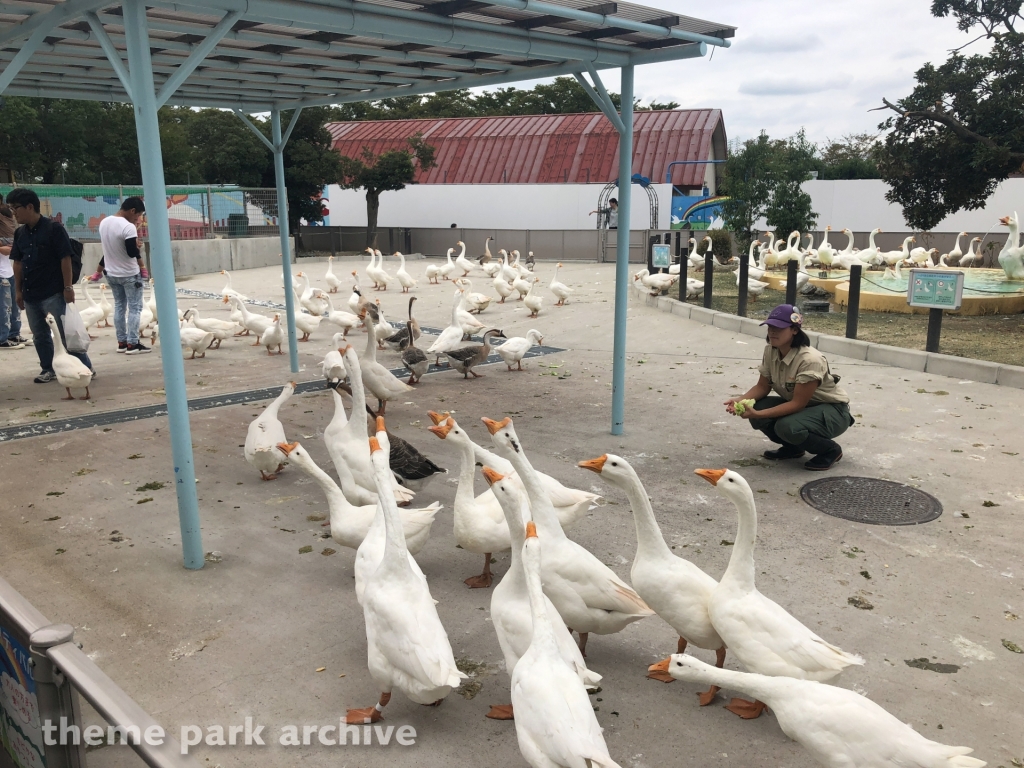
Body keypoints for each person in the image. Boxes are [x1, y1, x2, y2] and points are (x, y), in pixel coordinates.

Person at [724, 304, 853, 471]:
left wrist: (758, 414)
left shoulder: (810, 359)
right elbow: (762, 386)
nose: (772, 332)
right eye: (770, 327)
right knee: (756, 407)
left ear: (794, 330)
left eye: (779, 327)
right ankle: (793, 448)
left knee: (786, 426)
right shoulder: (771, 350)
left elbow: (797, 404)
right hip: (803, 408)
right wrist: (740, 400)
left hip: (831, 412)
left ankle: (829, 450)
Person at [7, 188, 94, 382]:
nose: (14, 213)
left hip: (53, 293)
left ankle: (84, 367)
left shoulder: (54, 229)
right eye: (11, 209)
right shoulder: (20, 233)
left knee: (65, 334)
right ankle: (48, 369)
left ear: (30, 207)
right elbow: (18, 263)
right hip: (31, 295)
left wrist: (68, 287)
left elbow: (65, 258)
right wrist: (18, 291)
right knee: (40, 336)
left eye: (16, 208)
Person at [98, 197, 150, 354]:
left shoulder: (104, 222)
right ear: (132, 210)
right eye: (138, 215)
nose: (138, 219)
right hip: (129, 273)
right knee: (135, 308)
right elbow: (131, 252)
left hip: (112, 273)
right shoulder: (128, 227)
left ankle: (122, 341)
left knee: (119, 306)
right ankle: (133, 344)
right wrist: (137, 245)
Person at [0, 203, 26, 349]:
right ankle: (2, 338)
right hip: (1, 275)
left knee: (14, 307)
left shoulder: (7, 220)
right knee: (3, 308)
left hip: (8, 272)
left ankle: (14, 334)